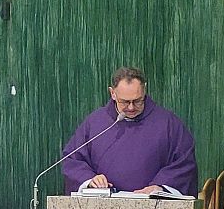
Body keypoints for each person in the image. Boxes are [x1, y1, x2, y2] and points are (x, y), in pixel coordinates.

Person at [62, 67, 197, 196]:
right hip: (103, 205)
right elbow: (73, 159)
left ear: (144, 90)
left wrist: (160, 187)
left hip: (153, 205)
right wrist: (90, 179)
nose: (131, 107)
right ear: (112, 93)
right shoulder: (95, 123)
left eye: (137, 101)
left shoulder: (168, 123)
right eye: (125, 102)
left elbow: (184, 162)